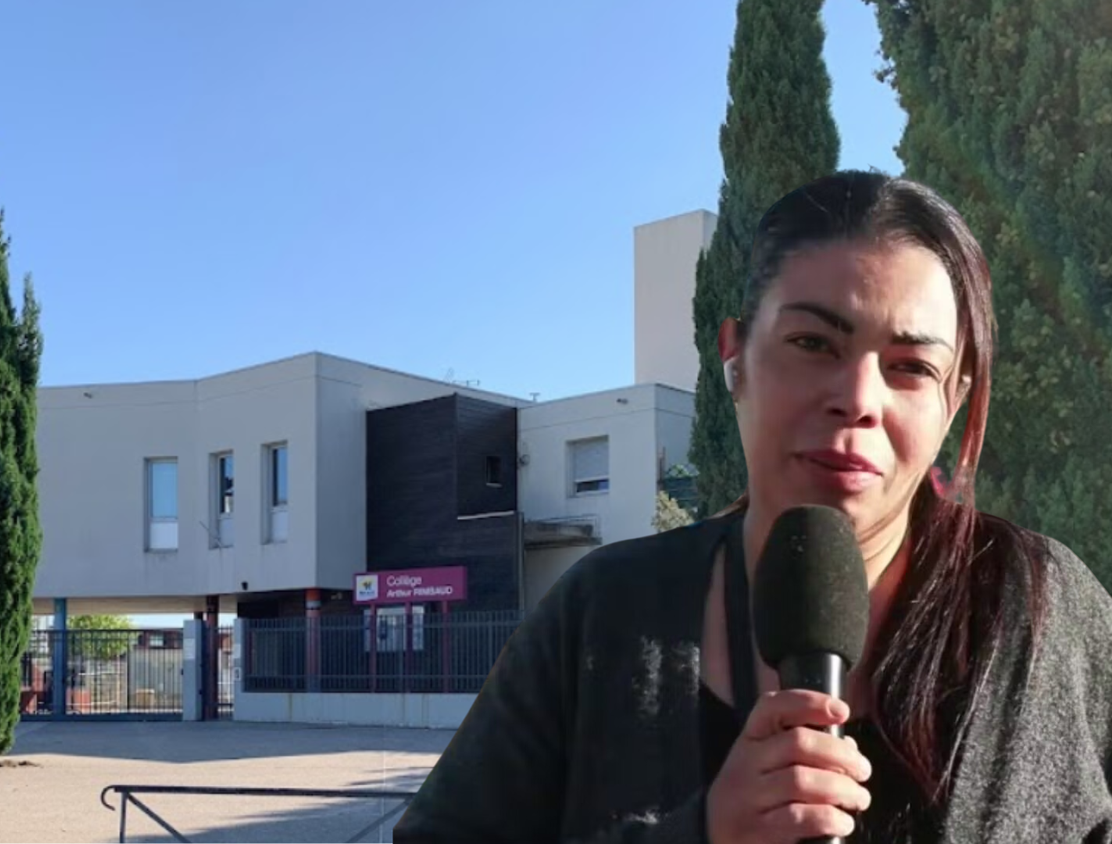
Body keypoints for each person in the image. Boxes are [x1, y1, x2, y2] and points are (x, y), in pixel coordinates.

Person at [392, 170, 1112, 843]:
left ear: (954, 399)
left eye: (911, 367)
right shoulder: (599, 612)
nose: (858, 399)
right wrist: (701, 833)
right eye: (813, 342)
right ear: (734, 359)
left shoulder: (1044, 609)